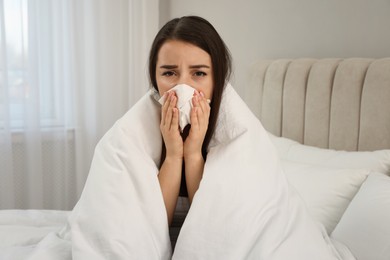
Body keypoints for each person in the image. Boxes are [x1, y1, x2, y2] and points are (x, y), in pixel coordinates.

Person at [148, 16, 232, 225]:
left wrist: (193, 153)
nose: (183, 86)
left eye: (199, 73)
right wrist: (174, 155)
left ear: (217, 79)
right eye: (169, 72)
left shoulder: (235, 132)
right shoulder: (139, 127)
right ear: (155, 78)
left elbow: (210, 224)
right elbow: (155, 225)